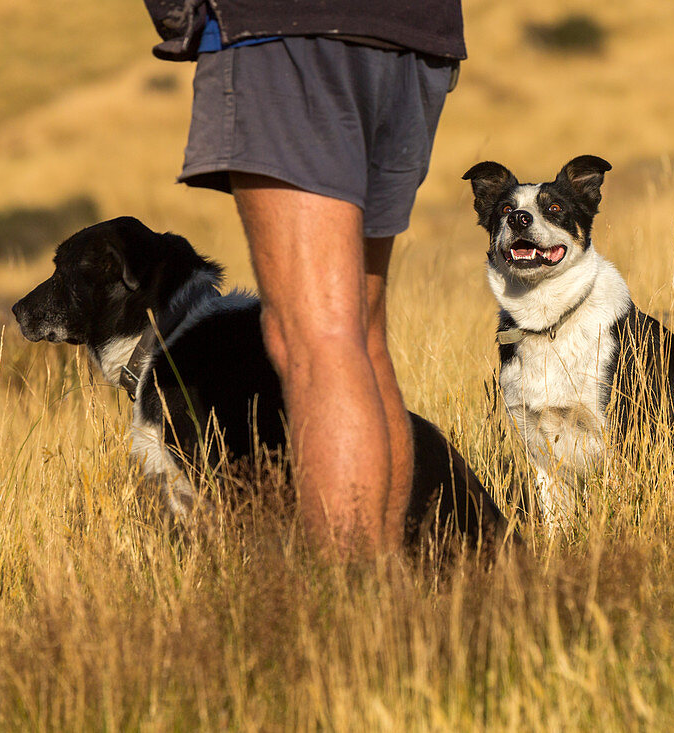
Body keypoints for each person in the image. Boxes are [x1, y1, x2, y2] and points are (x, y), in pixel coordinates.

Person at [142, 0, 464, 556]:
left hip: (284, 28)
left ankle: (349, 608)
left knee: (316, 339)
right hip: (416, 31)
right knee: (359, 337)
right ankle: (381, 610)